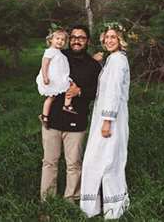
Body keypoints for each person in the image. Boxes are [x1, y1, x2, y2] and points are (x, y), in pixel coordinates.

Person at [40, 24, 101, 202]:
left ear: (87, 41)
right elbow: (44, 71)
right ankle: (47, 200)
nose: (76, 40)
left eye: (81, 38)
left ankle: (71, 199)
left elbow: (97, 92)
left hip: (77, 119)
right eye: (73, 37)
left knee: (73, 164)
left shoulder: (93, 65)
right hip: (52, 119)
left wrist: (79, 92)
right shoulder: (59, 55)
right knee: (49, 162)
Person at [80, 23, 130, 220]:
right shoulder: (113, 60)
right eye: (107, 37)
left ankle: (111, 209)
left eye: (113, 37)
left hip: (111, 118)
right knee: (105, 160)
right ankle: (104, 207)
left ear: (120, 40)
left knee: (104, 161)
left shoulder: (118, 61)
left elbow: (114, 92)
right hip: (106, 117)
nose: (109, 40)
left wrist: (107, 120)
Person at [36, 27, 78, 129]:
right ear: (51, 39)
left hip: (59, 77)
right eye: (57, 38)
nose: (60, 41)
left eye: (63, 40)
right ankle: (45, 116)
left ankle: (65, 105)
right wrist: (45, 77)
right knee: (51, 97)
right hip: (52, 78)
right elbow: (44, 64)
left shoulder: (58, 52)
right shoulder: (50, 51)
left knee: (68, 87)